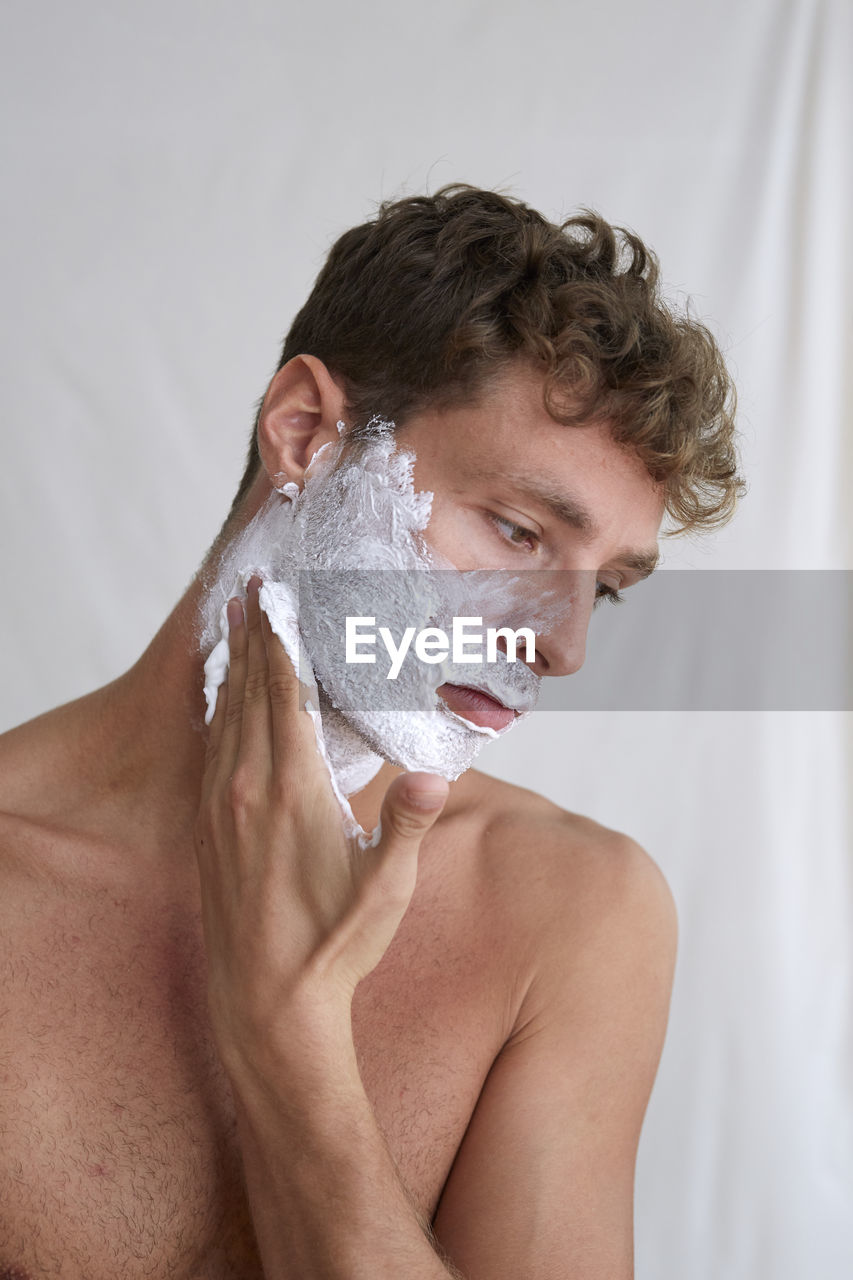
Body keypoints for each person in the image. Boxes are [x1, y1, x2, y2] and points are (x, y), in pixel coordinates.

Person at [0, 185, 742, 1279]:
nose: (564, 645)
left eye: (607, 588)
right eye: (518, 530)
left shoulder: (573, 915)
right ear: (305, 433)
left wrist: (291, 1036)